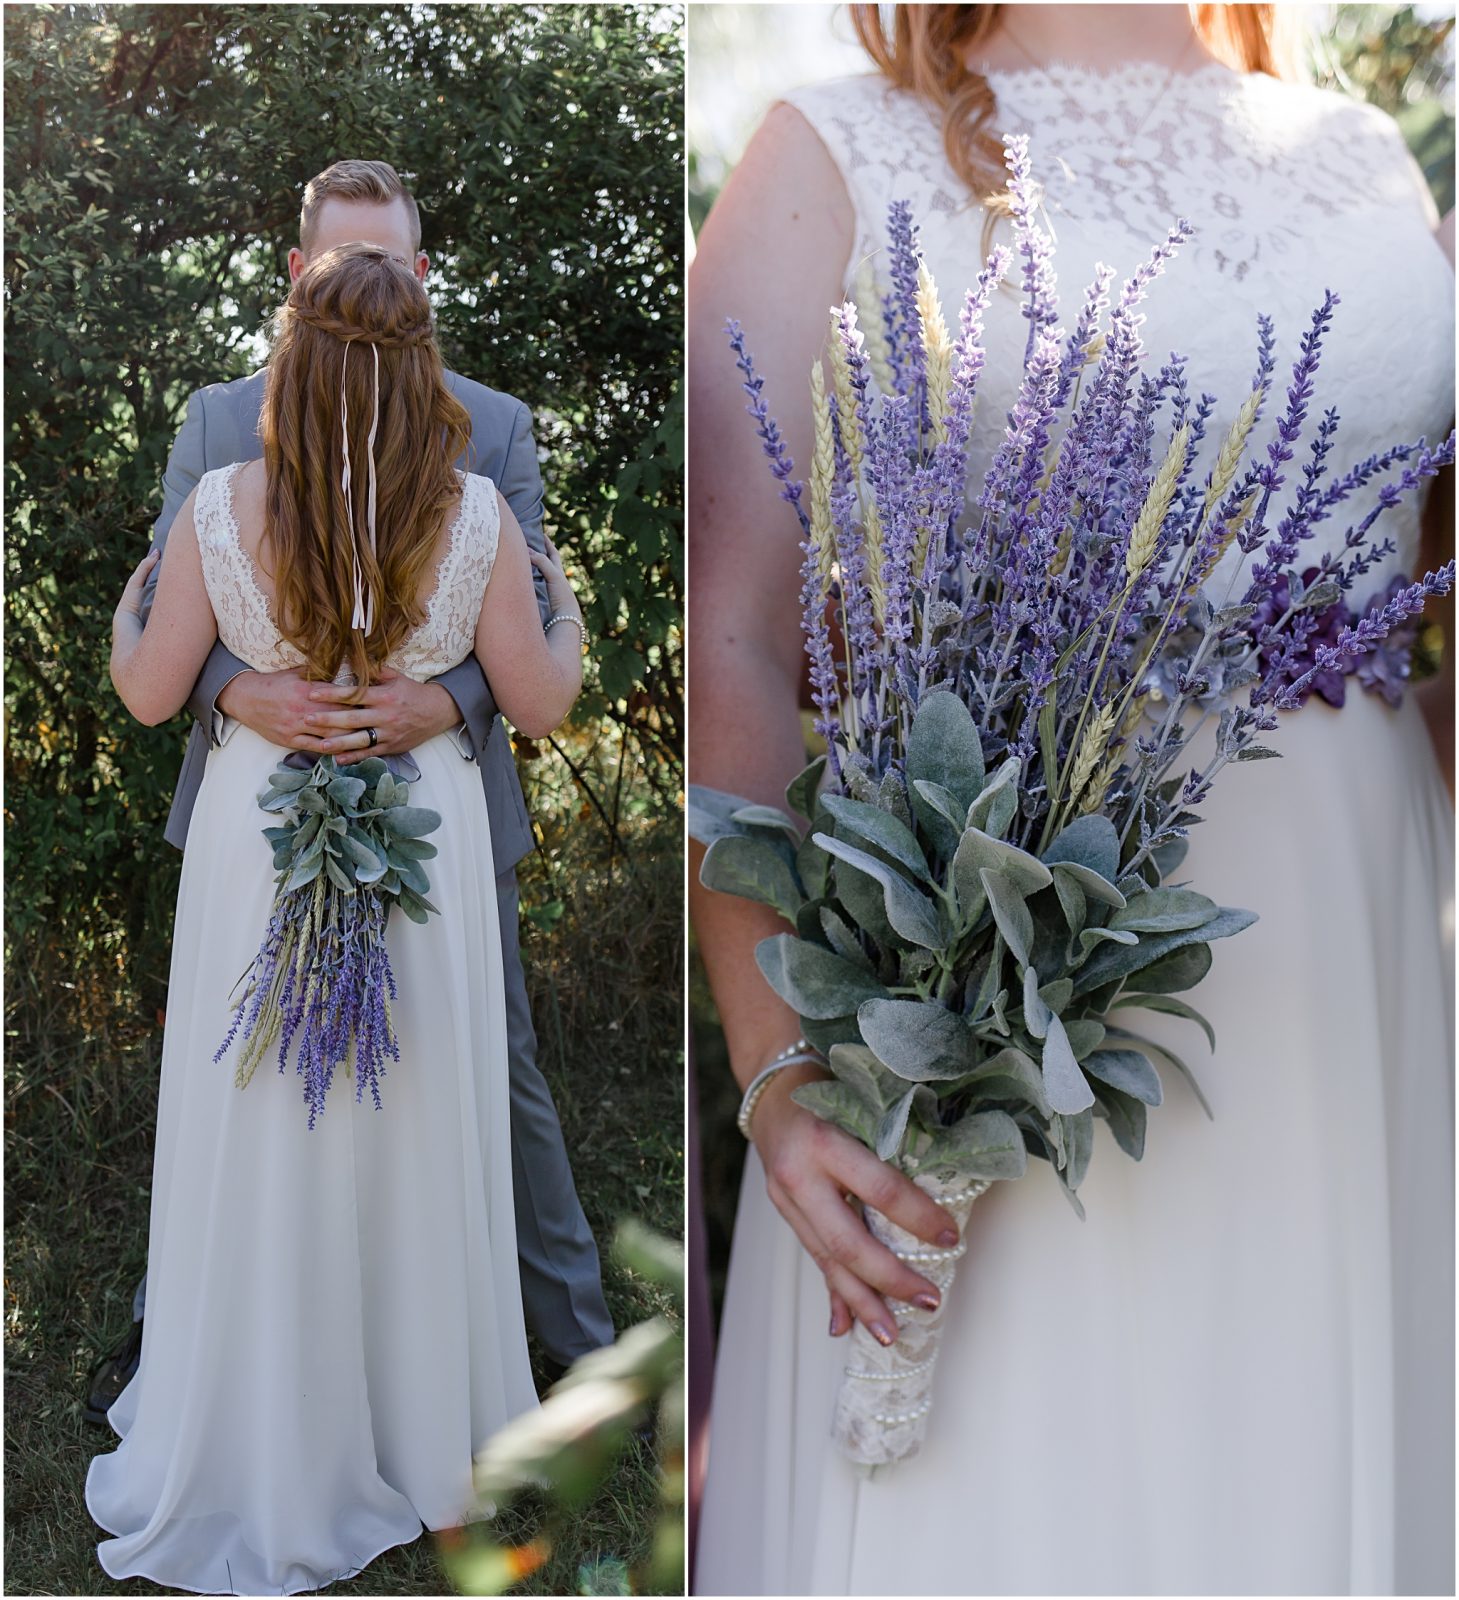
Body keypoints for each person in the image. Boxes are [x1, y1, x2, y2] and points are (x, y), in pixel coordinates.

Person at [688, 4, 1455, 1593]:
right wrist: (772, 1064)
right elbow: (736, 632)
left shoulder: (1368, 157)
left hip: (1357, 1020)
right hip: (997, 1017)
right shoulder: (830, 149)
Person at [88, 239, 589, 1592]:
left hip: (260, 841)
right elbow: (540, 704)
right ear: (424, 368)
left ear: (288, 361)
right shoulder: (475, 512)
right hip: (419, 838)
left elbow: (146, 692)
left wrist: (135, 616)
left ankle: (265, 1425)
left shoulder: (221, 510)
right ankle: (434, 1449)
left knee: (265, 1124)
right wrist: (573, 611)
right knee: (417, 1127)